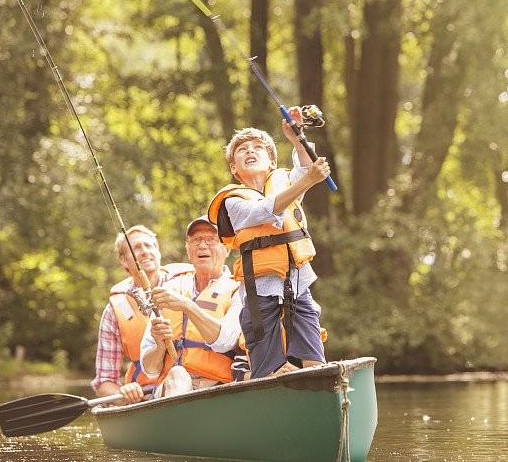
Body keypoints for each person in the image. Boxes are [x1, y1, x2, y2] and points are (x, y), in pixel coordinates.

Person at [207, 108, 331, 379]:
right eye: (242, 151)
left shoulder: (286, 181)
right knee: (268, 370)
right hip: (258, 292)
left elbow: (304, 167)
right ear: (234, 167)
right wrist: (309, 180)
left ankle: (319, 389)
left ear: (272, 161)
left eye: (257, 148)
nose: (250, 151)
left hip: (298, 284)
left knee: (314, 362)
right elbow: (265, 210)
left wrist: (296, 137)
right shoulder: (232, 201)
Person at [139, 216, 245, 396]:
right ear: (188, 250)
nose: (202, 246)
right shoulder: (169, 289)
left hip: (219, 388)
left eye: (211, 239)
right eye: (195, 240)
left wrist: (187, 306)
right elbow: (150, 369)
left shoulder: (238, 289)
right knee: (178, 374)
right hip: (172, 386)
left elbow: (225, 342)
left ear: (226, 248)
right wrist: (159, 346)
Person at [91, 225, 193, 405]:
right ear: (124, 261)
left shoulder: (187, 284)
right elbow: (104, 382)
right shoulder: (116, 309)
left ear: (158, 252)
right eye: (136, 248)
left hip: (195, 383)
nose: (145, 251)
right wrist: (123, 393)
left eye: (149, 246)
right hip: (147, 397)